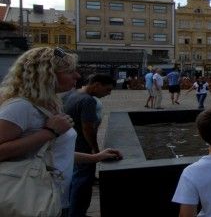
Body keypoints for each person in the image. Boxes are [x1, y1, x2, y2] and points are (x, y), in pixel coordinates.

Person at [0, 47, 122, 216]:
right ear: (47, 74)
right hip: (29, 199)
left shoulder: (46, 104)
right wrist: (49, 132)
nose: (77, 76)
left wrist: (95, 157)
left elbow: (53, 153)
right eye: (70, 71)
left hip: (52, 195)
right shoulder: (20, 106)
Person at [63, 74, 115, 217]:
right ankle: (77, 213)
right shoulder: (88, 101)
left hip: (70, 144)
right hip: (82, 146)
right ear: (96, 85)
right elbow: (87, 128)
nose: (108, 94)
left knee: (73, 181)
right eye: (107, 90)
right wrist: (95, 151)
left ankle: (70, 211)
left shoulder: (71, 94)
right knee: (83, 184)